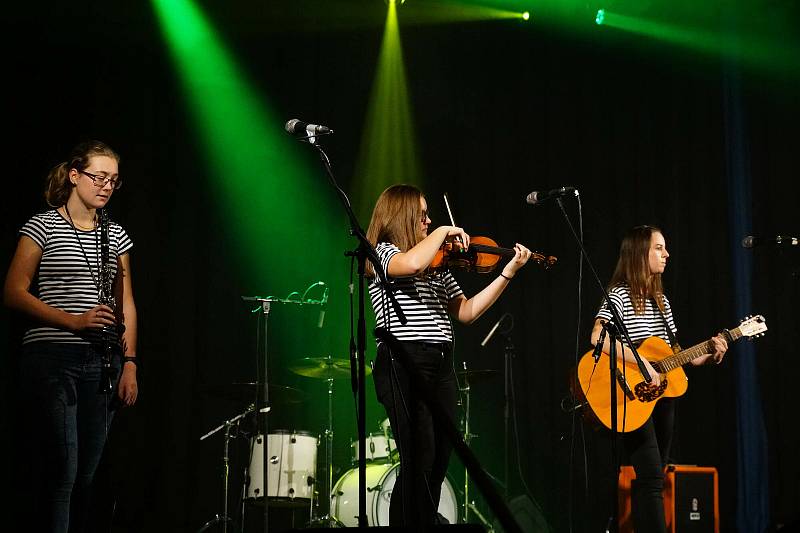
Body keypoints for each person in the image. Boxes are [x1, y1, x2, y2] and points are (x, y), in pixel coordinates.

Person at [365, 184, 532, 527]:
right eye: (423, 215)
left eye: (430, 216)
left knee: (440, 459)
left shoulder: (439, 265)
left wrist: (506, 274)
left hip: (441, 365)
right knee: (419, 458)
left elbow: (466, 311)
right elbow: (410, 264)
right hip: (404, 362)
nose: (428, 221)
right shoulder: (381, 252)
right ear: (403, 216)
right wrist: (444, 231)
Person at [4, 140, 138, 533]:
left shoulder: (115, 236)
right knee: (63, 468)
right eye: (99, 177)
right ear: (75, 176)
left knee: (86, 475)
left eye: (113, 180)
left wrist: (130, 362)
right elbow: (13, 291)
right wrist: (73, 321)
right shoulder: (42, 225)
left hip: (101, 361)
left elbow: (126, 302)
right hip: (53, 357)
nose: (106, 186)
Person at [590, 225, 727, 532]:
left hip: (661, 399)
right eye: (659, 248)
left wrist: (711, 351)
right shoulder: (619, 295)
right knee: (651, 478)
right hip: (630, 394)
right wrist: (641, 361)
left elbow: (676, 355)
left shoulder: (661, 302)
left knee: (655, 476)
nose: (667, 254)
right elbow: (597, 337)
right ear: (640, 253)